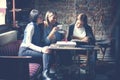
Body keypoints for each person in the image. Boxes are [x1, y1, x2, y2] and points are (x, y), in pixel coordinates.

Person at [18, 9, 53, 80]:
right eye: (40, 17)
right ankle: (45, 73)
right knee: (45, 54)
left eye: (41, 17)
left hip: (31, 50)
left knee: (48, 51)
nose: (42, 18)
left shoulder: (38, 26)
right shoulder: (31, 26)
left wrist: (46, 47)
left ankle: (46, 73)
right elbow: (28, 44)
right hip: (25, 51)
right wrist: (41, 49)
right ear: (35, 18)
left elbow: (38, 42)